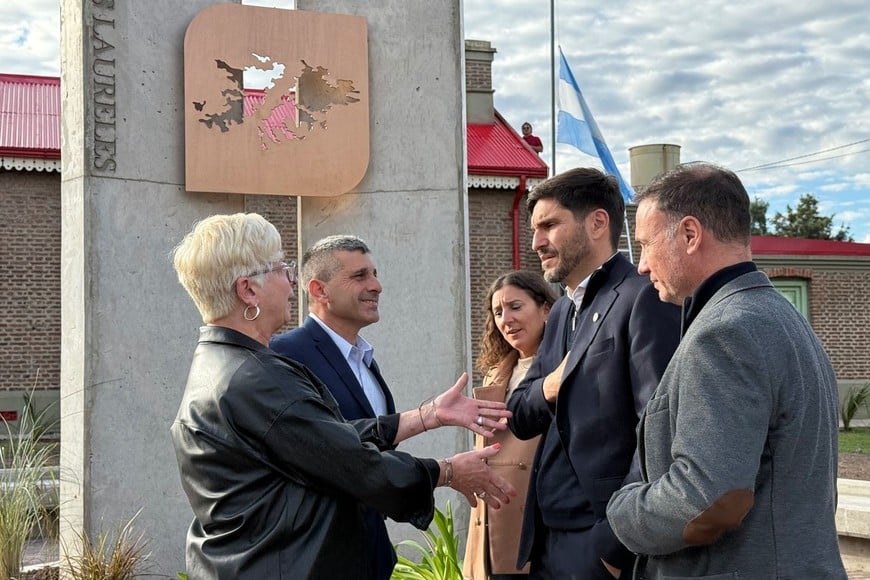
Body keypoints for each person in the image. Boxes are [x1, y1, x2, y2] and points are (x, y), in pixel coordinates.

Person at [169, 213, 516, 580]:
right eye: (282, 269)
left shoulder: (226, 364)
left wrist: (427, 415)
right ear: (248, 290)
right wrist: (447, 471)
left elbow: (324, 442)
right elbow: (351, 462)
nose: (291, 283)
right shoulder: (256, 379)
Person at [606, 163, 847, 579]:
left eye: (645, 245)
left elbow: (705, 499)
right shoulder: (782, 319)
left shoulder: (725, 331)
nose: (641, 266)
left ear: (689, 234)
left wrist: (622, 511)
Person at [270, 234, 506, 580]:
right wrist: (447, 470)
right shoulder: (286, 356)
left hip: (368, 555)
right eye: (360, 276)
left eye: (375, 273)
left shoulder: (365, 361)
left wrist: (431, 415)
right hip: (314, 561)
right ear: (319, 290)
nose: (377, 285)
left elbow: (372, 448)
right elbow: (335, 456)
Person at [507, 168, 681, 579]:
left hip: (600, 545)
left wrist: (615, 543)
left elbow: (658, 429)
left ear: (598, 222)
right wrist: (551, 384)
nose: (536, 242)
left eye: (549, 225)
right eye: (534, 229)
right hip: (547, 540)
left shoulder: (644, 298)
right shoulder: (563, 309)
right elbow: (519, 414)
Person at [464, 271, 557, 580]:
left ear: (545, 308)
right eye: (498, 312)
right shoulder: (496, 374)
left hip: (537, 528)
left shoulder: (562, 368)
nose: (506, 319)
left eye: (516, 307)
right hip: (492, 527)